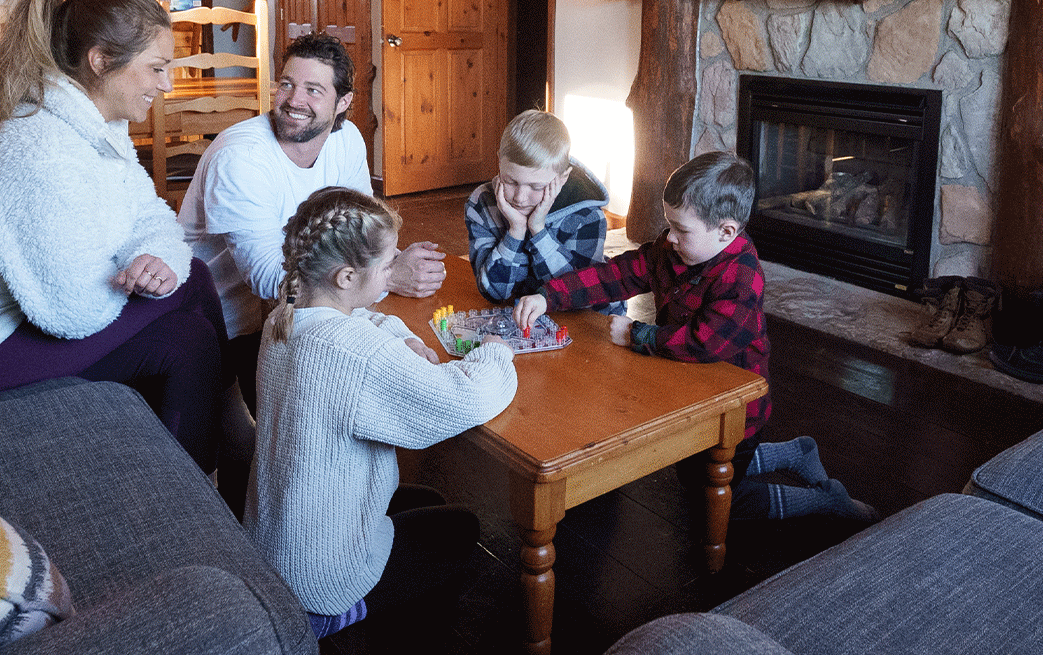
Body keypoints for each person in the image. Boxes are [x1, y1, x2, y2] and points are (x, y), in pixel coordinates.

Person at [0, 0, 226, 471]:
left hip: (12, 315)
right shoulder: (37, 148)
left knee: (186, 328)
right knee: (192, 288)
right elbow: (75, 312)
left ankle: (204, 471)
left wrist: (154, 257)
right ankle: (226, 451)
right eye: (156, 68)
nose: (166, 84)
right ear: (101, 61)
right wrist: (160, 273)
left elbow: (149, 214)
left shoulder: (98, 122)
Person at [512, 151, 875, 521]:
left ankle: (830, 504)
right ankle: (797, 453)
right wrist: (549, 295)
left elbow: (703, 342)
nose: (669, 237)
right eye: (669, 225)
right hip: (688, 386)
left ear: (726, 231)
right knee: (693, 468)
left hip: (735, 405)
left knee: (718, 501)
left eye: (681, 229)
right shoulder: (674, 249)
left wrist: (639, 335)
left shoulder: (742, 276)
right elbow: (617, 275)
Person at [245, 187, 517, 639]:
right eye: (389, 263)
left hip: (274, 543)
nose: (395, 269)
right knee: (462, 527)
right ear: (347, 277)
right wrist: (494, 353)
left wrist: (399, 336)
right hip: (318, 582)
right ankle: (336, 620)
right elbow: (462, 398)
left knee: (425, 500)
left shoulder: (284, 314)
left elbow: (360, 321)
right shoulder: (355, 357)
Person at [179, 33, 446, 401]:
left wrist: (393, 260)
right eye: (286, 84)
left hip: (311, 309)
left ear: (343, 102)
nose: (293, 100)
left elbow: (359, 236)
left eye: (313, 90)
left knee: (417, 357)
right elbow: (272, 281)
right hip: (227, 328)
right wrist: (386, 275)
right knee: (371, 389)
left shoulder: (347, 139)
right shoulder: (240, 158)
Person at [464, 109, 624, 316]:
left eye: (536, 187)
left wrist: (538, 230)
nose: (519, 197)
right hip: (527, 320)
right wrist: (516, 231)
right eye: (510, 181)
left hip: (589, 320)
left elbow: (578, 297)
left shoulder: (588, 217)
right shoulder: (481, 202)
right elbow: (494, 292)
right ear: (499, 162)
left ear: (563, 177)